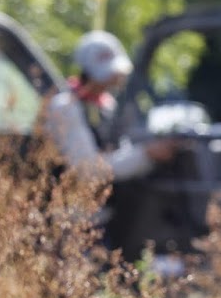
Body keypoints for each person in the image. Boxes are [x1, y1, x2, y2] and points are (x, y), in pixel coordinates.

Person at [42, 30, 178, 183]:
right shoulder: (65, 107)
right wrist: (146, 154)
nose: (116, 78)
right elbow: (88, 171)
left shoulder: (107, 105)